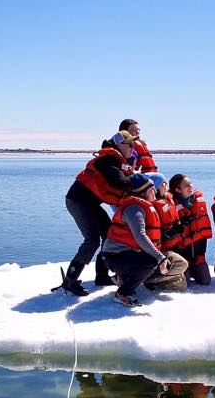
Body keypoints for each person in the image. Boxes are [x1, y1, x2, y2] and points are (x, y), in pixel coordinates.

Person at [56, 130, 137, 296]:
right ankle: (70, 280)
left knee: (108, 235)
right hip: (78, 202)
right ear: (120, 145)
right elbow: (119, 182)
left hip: (90, 203)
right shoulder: (109, 159)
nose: (132, 147)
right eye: (130, 144)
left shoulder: (115, 159)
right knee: (91, 240)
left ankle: (101, 275)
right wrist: (138, 178)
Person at [102, 172, 189, 308]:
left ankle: (126, 278)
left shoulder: (147, 205)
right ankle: (123, 293)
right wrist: (160, 257)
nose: (155, 190)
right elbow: (140, 235)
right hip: (116, 256)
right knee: (151, 261)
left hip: (135, 253)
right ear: (142, 192)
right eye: (151, 189)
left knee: (175, 263)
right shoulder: (134, 208)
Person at [169, 172, 213, 286]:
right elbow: (170, 238)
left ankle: (194, 268)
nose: (190, 187)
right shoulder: (171, 207)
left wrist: (201, 254)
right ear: (178, 189)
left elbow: (203, 233)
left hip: (196, 253)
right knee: (185, 284)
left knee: (205, 281)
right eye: (186, 185)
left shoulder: (198, 204)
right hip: (181, 256)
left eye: (190, 184)